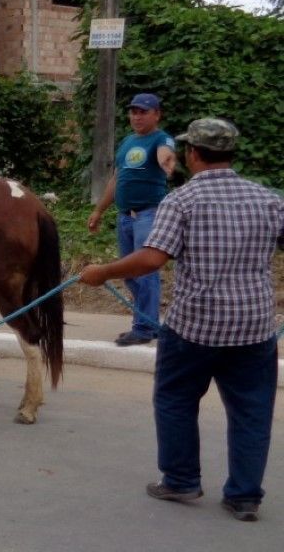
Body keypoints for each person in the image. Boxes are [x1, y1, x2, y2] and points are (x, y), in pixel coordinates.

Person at [79, 118, 282, 523]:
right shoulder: (268, 199)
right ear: (230, 153)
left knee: (175, 400)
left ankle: (181, 480)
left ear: (192, 154)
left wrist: (103, 272)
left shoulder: (182, 200)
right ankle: (244, 497)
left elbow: (153, 258)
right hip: (255, 328)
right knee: (252, 412)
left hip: (195, 328)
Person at [87, 92, 177, 346]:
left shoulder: (161, 138)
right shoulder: (127, 142)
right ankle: (150, 323)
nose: (137, 116)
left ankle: (143, 327)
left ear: (156, 114)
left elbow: (165, 153)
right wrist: (99, 211)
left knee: (144, 272)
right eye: (134, 111)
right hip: (126, 217)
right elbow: (116, 180)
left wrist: (167, 162)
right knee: (129, 274)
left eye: (143, 112)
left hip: (149, 214)